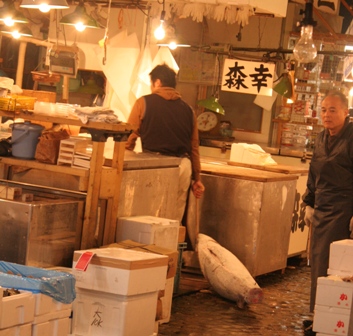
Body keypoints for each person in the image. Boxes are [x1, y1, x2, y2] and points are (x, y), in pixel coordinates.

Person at [126, 63, 205, 222]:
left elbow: (129, 137)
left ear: (157, 82)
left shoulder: (143, 102)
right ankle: (170, 245)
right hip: (183, 166)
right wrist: (197, 179)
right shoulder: (188, 110)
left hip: (155, 165)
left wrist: (122, 165)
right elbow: (194, 147)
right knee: (173, 218)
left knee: (149, 216)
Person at [302, 90, 353, 335]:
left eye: (333, 109)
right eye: (323, 109)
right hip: (322, 208)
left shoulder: (352, 138)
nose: (326, 115)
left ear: (346, 112)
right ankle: (318, 313)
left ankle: (339, 316)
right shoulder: (321, 138)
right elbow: (314, 172)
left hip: (345, 210)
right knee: (318, 262)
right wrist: (308, 203)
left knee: (340, 267)